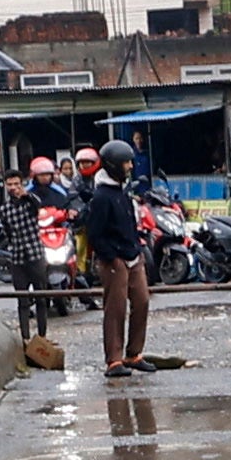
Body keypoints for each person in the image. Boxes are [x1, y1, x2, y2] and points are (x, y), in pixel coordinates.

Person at [79, 142, 159, 378]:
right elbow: (95, 233)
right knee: (115, 309)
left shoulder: (122, 190)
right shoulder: (102, 196)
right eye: (126, 162)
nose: (130, 166)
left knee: (142, 301)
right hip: (114, 260)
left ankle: (134, 353)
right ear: (113, 165)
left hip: (133, 255)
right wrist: (112, 258)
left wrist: (137, 247)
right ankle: (114, 360)